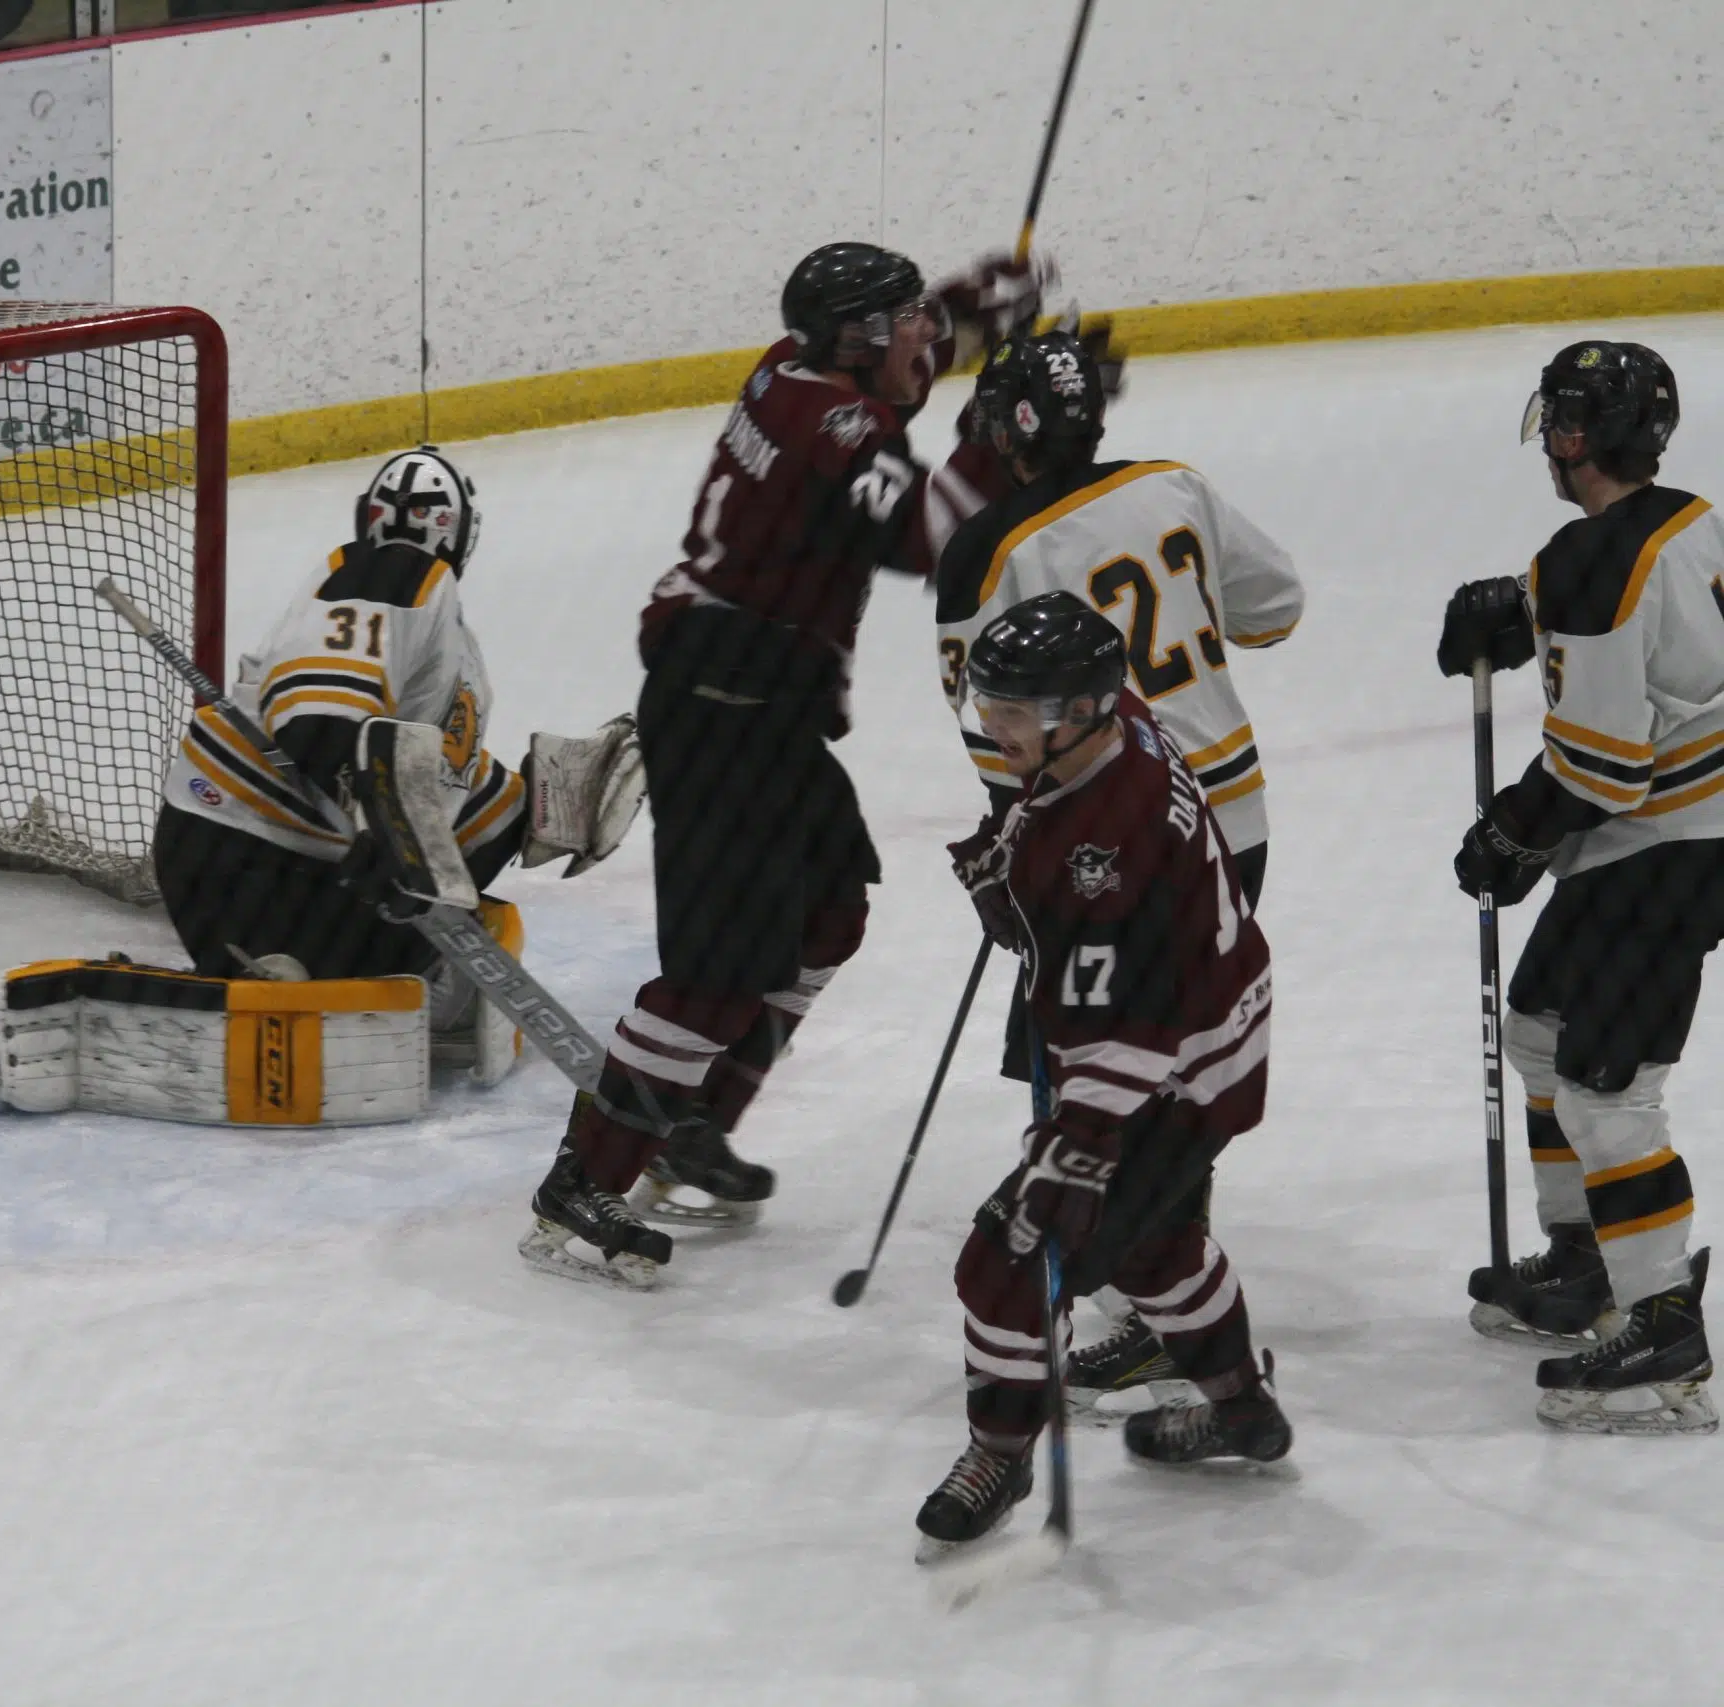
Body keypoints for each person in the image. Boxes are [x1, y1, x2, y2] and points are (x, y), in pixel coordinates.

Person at [519, 239, 1051, 1289]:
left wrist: (959, 313)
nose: (920, 339)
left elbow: (884, 392)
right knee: (713, 977)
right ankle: (582, 1180)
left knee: (826, 913)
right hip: (723, 711)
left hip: (756, 709)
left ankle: (691, 1125)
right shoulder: (831, 424)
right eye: (903, 322)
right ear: (857, 340)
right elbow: (932, 534)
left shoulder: (796, 371)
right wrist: (999, 429)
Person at [934, 327, 1305, 1413]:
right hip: (1225, 817)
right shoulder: (1172, 485)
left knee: (1094, 1049)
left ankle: (1143, 1277)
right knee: (1173, 1063)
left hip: (1097, 837)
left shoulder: (983, 553)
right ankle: (1164, 1275)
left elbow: (992, 743)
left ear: (1011, 430)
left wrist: (1016, 864)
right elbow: (1275, 608)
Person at [917, 592, 1288, 1558]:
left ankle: (998, 1454)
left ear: (1075, 712)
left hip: (1166, 1076)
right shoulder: (1119, 725)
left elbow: (1124, 1029)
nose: (990, 726)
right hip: (1217, 1037)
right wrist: (1014, 875)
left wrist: (1076, 1155)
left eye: (1009, 712)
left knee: (1003, 1265)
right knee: (1155, 1252)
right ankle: (1245, 1410)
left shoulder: (1099, 851)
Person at [1440, 339, 1724, 1436]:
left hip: (1668, 849)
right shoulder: (1686, 516)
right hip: (1663, 839)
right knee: (1539, 1030)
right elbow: (1648, 617)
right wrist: (1519, 605)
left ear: (1575, 435)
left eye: (1557, 424)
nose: (1549, 446)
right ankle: (1586, 1255)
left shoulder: (1596, 563)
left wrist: (1512, 834)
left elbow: (1602, 764)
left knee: (1608, 1089)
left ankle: (1662, 1324)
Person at [154, 444, 641, 990]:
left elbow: (436, 775)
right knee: (303, 981)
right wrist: (385, 825)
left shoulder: (454, 650)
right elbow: (317, 723)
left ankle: (312, 975)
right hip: (240, 856)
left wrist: (538, 806)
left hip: (302, 871)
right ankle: (272, 976)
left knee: (435, 881)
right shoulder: (385, 577)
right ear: (461, 534)